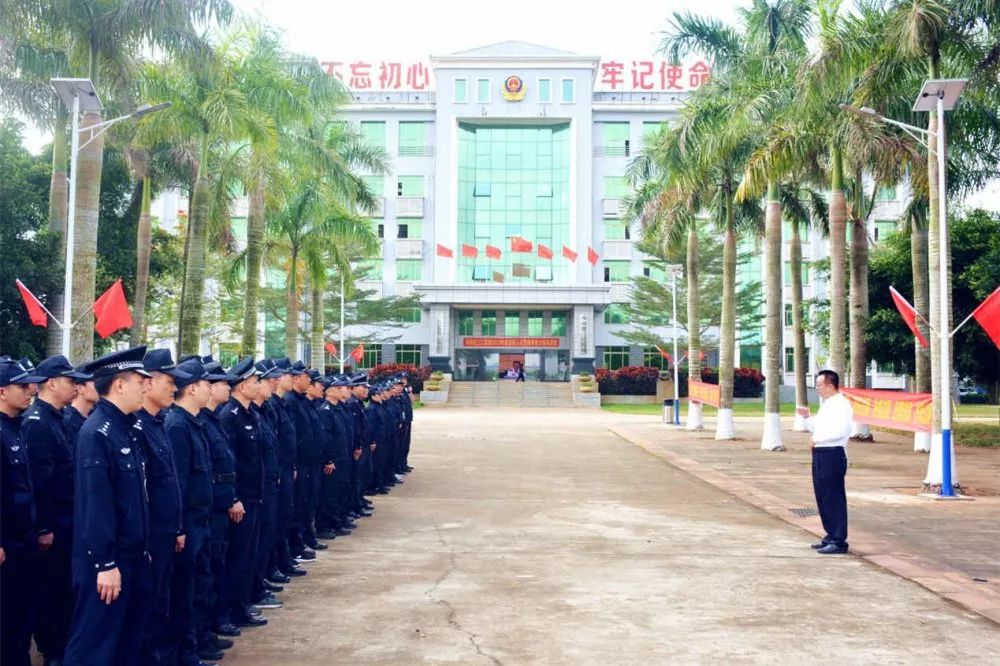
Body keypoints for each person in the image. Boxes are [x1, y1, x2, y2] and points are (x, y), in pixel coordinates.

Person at [65, 346, 153, 666]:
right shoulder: (96, 433)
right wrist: (104, 563)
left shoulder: (127, 429)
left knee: (127, 643)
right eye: (140, 381)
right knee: (95, 645)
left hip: (132, 556)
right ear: (118, 384)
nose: (146, 386)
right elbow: (95, 505)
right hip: (106, 564)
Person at [22, 355, 91, 666]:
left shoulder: (60, 418)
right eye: (70, 381)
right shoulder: (37, 423)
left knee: (65, 587)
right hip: (54, 521)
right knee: (50, 589)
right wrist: (44, 527)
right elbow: (39, 482)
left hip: (69, 518)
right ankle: (52, 651)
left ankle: (62, 644)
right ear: (50, 383)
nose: (76, 387)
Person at [135, 349, 188, 666]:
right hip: (149, 536)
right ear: (149, 381)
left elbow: (170, 485)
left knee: (161, 603)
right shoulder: (138, 428)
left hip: (166, 532)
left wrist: (177, 526)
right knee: (148, 607)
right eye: (169, 381)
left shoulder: (158, 423)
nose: (173, 388)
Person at [1, 359, 45, 666]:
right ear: (2, 391)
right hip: (6, 545)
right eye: (21, 386)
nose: (30, 391)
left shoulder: (17, 428)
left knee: (22, 617)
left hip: (24, 541)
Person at [219, 358, 267, 628]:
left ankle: (242, 605)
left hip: (254, 494)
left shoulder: (250, 414)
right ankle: (228, 612)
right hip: (241, 499)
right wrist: (233, 497)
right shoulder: (230, 416)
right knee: (236, 558)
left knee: (248, 555)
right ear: (241, 386)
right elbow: (230, 462)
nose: (258, 386)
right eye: (254, 382)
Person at [797, 369, 853, 555]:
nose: (817, 389)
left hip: (833, 453)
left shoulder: (842, 405)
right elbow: (818, 427)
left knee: (833, 497)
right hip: (820, 453)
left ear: (830, 385)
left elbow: (841, 431)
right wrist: (807, 418)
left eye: (820, 385)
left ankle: (839, 540)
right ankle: (830, 535)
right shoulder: (827, 405)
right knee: (823, 496)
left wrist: (818, 440)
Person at [64, 367, 98, 442]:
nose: (100, 386)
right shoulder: (68, 422)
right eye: (95, 382)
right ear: (79, 388)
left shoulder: (97, 416)